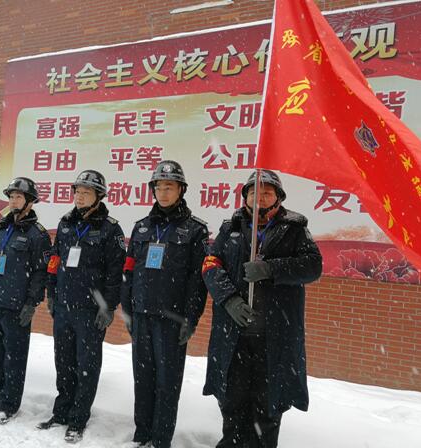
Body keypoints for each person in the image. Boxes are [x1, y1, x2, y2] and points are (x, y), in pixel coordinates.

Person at [201, 169, 323, 448]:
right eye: (254, 191)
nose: (260, 195)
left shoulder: (294, 228)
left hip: (273, 339)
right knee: (232, 401)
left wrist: (271, 269)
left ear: (278, 197)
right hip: (234, 337)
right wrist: (229, 299)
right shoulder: (230, 227)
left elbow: (313, 267)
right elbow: (210, 265)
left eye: (267, 191)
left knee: (267, 406)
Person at [120, 160, 209, 448]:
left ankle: (160, 439)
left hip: (172, 320)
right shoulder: (142, 228)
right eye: (159, 187)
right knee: (142, 379)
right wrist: (127, 309)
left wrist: (191, 319)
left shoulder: (195, 231)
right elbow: (129, 271)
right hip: (142, 315)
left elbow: (198, 281)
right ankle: (142, 433)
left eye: (169, 187)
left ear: (181, 190)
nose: (163, 192)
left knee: (167, 383)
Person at [38, 170, 125, 444]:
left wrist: (108, 306)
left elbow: (115, 272)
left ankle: (78, 418)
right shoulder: (65, 223)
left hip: (90, 311)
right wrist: (51, 292)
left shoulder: (111, 229)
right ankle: (62, 411)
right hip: (63, 306)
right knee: (63, 362)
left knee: (86, 365)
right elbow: (54, 260)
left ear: (99, 196)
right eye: (77, 191)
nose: (79, 196)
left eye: (86, 192)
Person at [0, 177, 51, 424]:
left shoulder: (37, 234)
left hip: (17, 306)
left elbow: (40, 272)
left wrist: (32, 302)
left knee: (14, 357)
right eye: (11, 196)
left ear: (30, 201)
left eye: (18, 196)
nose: (13, 200)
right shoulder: (0, 228)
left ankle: (9, 404)